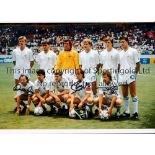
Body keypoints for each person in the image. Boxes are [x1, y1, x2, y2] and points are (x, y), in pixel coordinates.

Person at [119, 37, 140, 119]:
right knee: (125, 95)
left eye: (123, 42)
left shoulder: (133, 51)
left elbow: (138, 64)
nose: (122, 43)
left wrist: (135, 75)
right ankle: (127, 112)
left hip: (131, 74)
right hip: (122, 75)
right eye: (120, 42)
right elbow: (119, 65)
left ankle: (135, 113)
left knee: (133, 94)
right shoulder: (120, 53)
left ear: (127, 42)